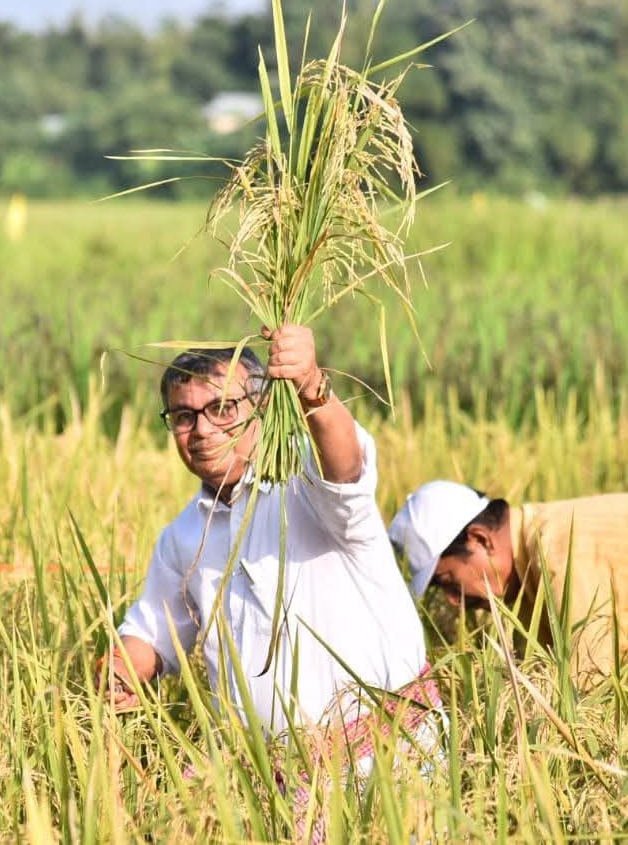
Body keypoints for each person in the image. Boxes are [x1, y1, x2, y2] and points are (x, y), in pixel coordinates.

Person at [100, 324, 438, 757]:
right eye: (184, 416)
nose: (202, 430)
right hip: (273, 785)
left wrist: (311, 384)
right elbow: (152, 633)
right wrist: (122, 671)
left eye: (222, 408)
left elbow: (346, 467)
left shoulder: (306, 476)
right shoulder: (184, 536)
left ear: (263, 407)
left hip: (389, 765)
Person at [388, 480, 628, 683]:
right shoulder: (528, 579)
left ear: (480, 539)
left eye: (449, 580)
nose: (453, 600)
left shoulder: (559, 551)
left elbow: (590, 677)